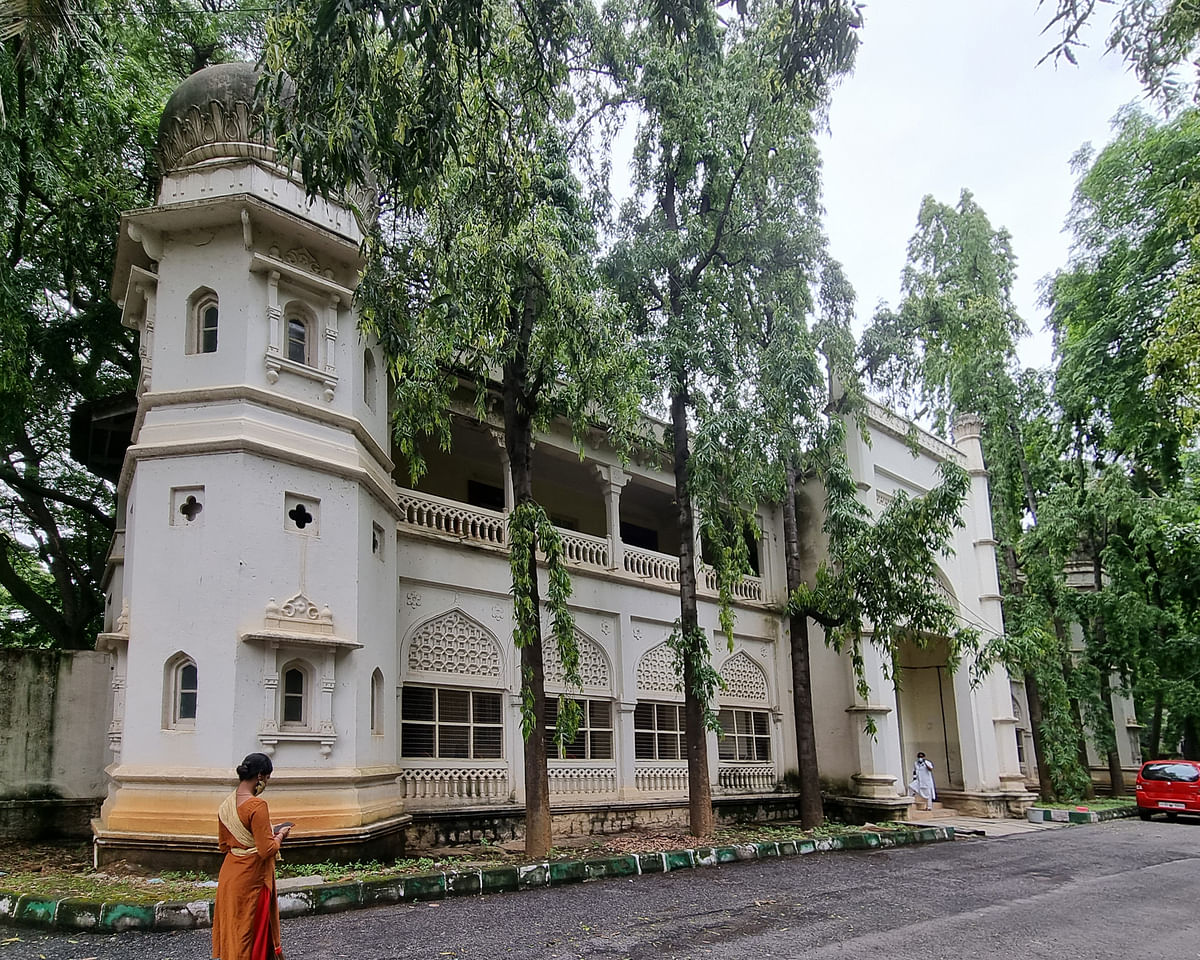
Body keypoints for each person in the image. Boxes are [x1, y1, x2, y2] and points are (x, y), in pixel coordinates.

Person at [212, 752, 291, 960]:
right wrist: (280, 835)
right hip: (252, 878)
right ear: (260, 777)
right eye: (267, 778)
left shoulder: (226, 805)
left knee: (234, 929)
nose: (266, 783)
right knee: (250, 931)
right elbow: (267, 850)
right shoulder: (257, 806)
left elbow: (223, 844)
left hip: (230, 874)